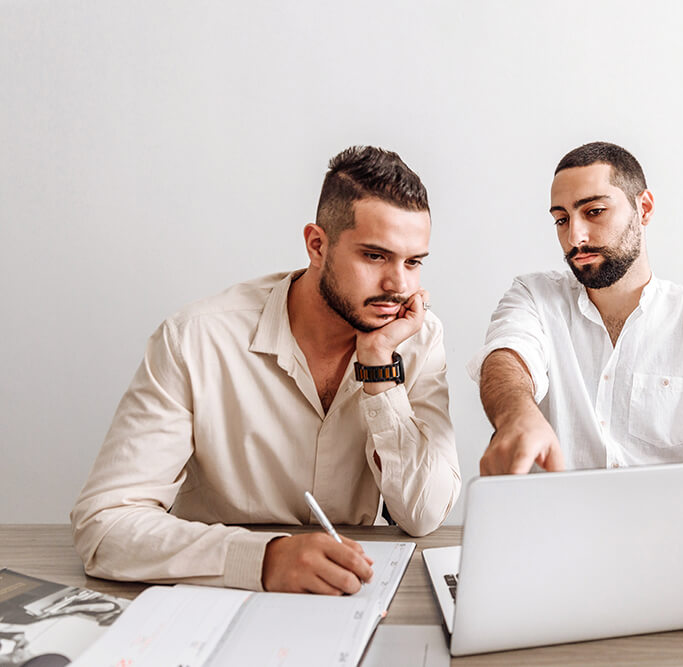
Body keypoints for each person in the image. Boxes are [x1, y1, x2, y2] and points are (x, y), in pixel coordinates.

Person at [72, 146, 460, 595]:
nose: (399, 286)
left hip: (346, 595)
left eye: (413, 262)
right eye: (375, 256)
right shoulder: (197, 339)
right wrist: (264, 558)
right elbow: (104, 526)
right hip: (215, 595)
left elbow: (424, 513)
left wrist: (378, 369)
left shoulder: (416, 338)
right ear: (317, 244)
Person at [469, 141, 683, 629]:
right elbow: (507, 358)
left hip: (669, 584)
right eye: (560, 219)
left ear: (644, 207)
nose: (576, 236)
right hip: (543, 570)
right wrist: (517, 414)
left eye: (594, 211)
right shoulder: (534, 296)